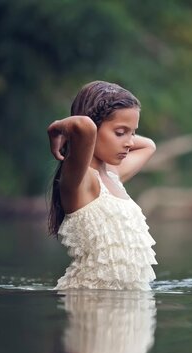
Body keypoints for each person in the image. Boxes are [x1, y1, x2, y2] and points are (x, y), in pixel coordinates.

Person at [47, 81, 157, 290]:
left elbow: (149, 146)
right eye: (120, 132)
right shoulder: (80, 180)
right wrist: (57, 128)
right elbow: (84, 126)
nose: (130, 142)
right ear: (95, 129)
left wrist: (124, 128)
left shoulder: (113, 175)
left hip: (130, 312)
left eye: (132, 133)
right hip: (90, 304)